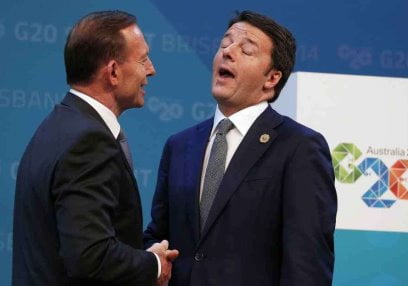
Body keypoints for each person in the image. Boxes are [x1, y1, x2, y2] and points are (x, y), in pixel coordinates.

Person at [144, 10, 337, 286]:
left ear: (271, 79)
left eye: (246, 50)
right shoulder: (179, 145)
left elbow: (307, 264)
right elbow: (159, 235)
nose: (228, 52)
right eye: (224, 44)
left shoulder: (300, 148)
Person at [12, 10, 177, 286]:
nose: (151, 70)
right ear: (113, 72)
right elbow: (90, 256)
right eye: (143, 59)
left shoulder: (57, 126)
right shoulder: (88, 142)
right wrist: (154, 264)